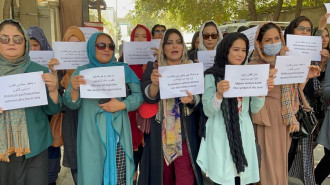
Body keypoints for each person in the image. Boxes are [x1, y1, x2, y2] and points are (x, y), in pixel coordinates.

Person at [63, 32, 143, 185]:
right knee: (92, 171)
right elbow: (72, 103)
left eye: (110, 46)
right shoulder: (81, 71)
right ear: (91, 48)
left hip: (118, 129)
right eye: (101, 45)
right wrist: (73, 90)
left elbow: (139, 95)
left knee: (119, 173)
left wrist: (122, 104)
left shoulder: (123, 69)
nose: (107, 49)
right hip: (90, 132)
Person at [249, 22, 320, 185]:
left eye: (276, 38)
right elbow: (251, 98)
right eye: (268, 40)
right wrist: (264, 79)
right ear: (259, 43)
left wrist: (306, 76)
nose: (273, 43)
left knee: (280, 166)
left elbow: (296, 90)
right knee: (267, 167)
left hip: (285, 119)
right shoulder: (254, 66)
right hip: (266, 119)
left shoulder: (286, 61)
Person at [197, 32, 271, 185]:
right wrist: (218, 94)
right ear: (226, 50)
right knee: (222, 176)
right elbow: (208, 111)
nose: (241, 54)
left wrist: (261, 92)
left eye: (244, 50)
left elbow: (255, 109)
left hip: (243, 130)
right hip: (219, 132)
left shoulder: (247, 74)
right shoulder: (211, 75)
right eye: (236, 49)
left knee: (241, 178)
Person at [138, 28, 204, 185]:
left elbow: (200, 99)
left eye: (178, 42)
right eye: (169, 43)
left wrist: (192, 99)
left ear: (183, 46)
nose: (174, 46)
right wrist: (155, 84)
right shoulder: (153, 67)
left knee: (185, 176)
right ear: (163, 47)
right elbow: (148, 96)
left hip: (186, 134)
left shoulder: (191, 67)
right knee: (163, 177)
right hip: (161, 134)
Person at [0, 19, 61, 185]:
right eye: (4, 39)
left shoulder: (37, 70)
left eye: (17, 39)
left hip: (35, 147)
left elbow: (52, 109)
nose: (11, 43)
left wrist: (53, 90)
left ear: (25, 42)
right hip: (2, 150)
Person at [286, 15, 329, 185]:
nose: (304, 33)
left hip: (306, 113)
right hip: (288, 112)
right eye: (300, 29)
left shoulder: (312, 55)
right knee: (284, 153)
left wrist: (320, 28)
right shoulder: (284, 52)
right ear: (292, 30)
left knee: (295, 153)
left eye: (308, 30)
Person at [48, 26, 86, 185]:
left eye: (78, 44)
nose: (73, 48)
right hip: (70, 123)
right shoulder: (59, 69)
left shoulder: (90, 67)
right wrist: (52, 72)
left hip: (87, 120)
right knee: (76, 161)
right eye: (69, 44)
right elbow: (53, 98)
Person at [27, 25, 61, 185]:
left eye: (36, 44)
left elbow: (56, 103)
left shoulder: (53, 63)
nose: (33, 49)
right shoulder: (16, 69)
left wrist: (54, 73)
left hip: (49, 120)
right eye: (29, 45)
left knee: (48, 168)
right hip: (29, 126)